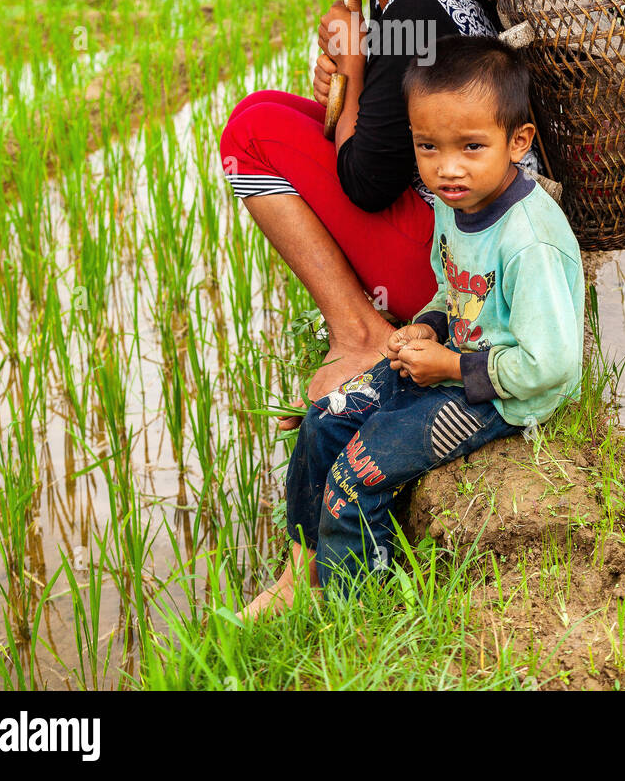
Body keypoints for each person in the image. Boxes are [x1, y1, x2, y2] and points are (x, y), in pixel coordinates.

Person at [242, 35, 584, 615]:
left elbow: (550, 365)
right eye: (428, 146)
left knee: (360, 468)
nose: (448, 169)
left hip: (505, 396)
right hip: (456, 355)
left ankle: (353, 609)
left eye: (472, 147)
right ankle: (301, 570)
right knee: (326, 419)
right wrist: (427, 325)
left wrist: (449, 365)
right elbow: (452, 285)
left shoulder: (530, 240)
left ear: (517, 141)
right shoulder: (459, 202)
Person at [220, 0, 544, 427]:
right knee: (273, 109)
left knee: (249, 132)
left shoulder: (417, 10)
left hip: (446, 264)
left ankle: (359, 333)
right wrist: (353, 73)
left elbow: (365, 183)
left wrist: (358, 71)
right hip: (471, 232)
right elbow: (393, 123)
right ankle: (362, 323)